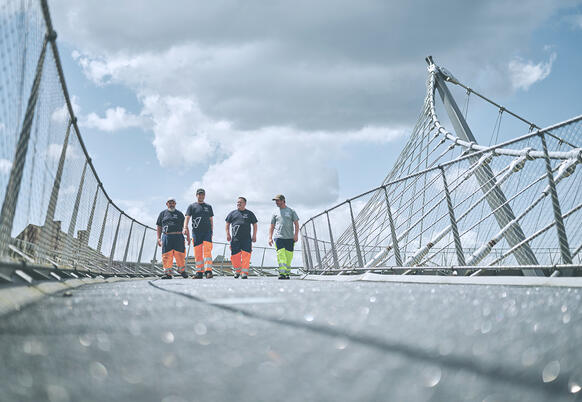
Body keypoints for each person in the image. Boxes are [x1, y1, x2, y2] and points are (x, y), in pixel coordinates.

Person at [183, 188, 214, 279]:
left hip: (207, 232)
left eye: (202, 194)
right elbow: (187, 217)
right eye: (199, 194)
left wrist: (212, 230)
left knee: (207, 251)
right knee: (198, 252)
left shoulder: (208, 207)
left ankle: (208, 271)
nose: (201, 196)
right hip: (196, 232)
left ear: (204, 195)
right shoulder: (192, 206)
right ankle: (199, 272)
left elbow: (211, 220)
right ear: (196, 195)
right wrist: (185, 227)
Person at [268, 194, 299, 280]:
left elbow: (296, 224)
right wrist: (270, 237)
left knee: (289, 256)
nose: (276, 202)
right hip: (278, 237)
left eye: (277, 201)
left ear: (283, 201)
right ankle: (282, 273)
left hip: (290, 238)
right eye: (275, 201)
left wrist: (296, 235)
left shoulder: (291, 211)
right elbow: (272, 226)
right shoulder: (275, 213)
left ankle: (287, 273)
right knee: (281, 255)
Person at [225, 197, 257, 279]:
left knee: (246, 256)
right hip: (235, 239)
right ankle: (237, 271)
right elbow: (227, 224)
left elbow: (255, 224)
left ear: (245, 203)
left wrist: (254, 235)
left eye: (240, 202)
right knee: (235, 256)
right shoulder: (232, 213)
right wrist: (228, 234)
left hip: (246, 239)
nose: (238, 204)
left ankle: (244, 272)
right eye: (238, 202)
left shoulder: (249, 213)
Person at [156, 197, 188, 279]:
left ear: (175, 204)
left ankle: (181, 270)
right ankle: (167, 273)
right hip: (167, 236)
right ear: (167, 204)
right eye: (169, 202)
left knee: (180, 255)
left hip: (178, 236)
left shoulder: (180, 214)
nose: (171, 204)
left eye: (173, 202)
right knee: (166, 255)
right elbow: (159, 226)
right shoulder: (162, 214)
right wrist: (158, 238)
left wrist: (188, 236)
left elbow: (185, 226)